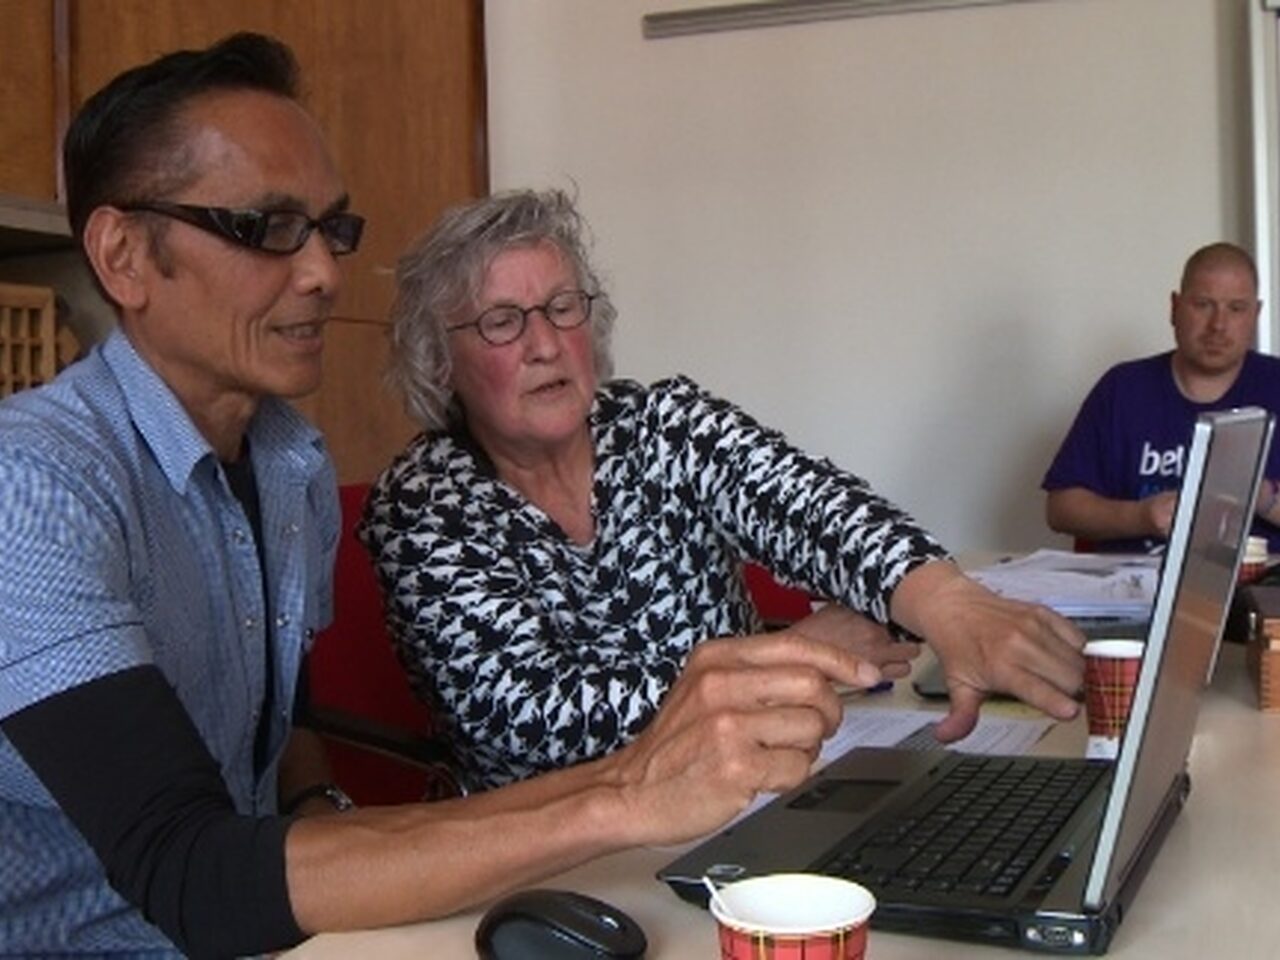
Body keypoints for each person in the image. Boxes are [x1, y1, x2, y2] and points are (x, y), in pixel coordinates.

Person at [0, 35, 900, 958]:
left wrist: (322, 806)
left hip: (285, 926)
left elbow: (284, 716)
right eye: (266, 227)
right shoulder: (33, 486)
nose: (323, 272)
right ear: (123, 255)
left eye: (331, 229)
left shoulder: (287, 464)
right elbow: (189, 873)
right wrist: (629, 793)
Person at [359, 188, 1086, 790]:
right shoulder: (422, 505)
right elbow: (531, 722)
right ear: (440, 361)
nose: (544, 344)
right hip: (563, 845)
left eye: (561, 307)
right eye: (501, 322)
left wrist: (950, 603)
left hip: (746, 790)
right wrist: (781, 662)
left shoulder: (661, 423)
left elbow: (812, 509)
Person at [1043, 242, 1280, 553]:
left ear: (1256, 314)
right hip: (1130, 578)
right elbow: (1061, 508)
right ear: (1174, 308)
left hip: (1258, 580)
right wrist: (1140, 517)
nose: (1218, 325)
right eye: (1203, 305)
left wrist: (1264, 499)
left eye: (1236, 308)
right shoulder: (1122, 388)